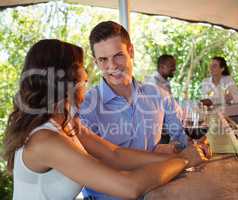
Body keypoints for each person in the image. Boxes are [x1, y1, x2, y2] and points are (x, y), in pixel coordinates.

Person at [2, 39, 208, 200]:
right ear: (66, 78)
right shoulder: (45, 141)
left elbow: (114, 154)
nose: (86, 76)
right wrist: (185, 160)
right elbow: (129, 186)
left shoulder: (66, 123)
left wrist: (181, 155)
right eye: (81, 67)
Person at [79, 21, 209, 199]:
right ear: (96, 62)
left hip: (157, 193)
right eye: (103, 59)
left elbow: (185, 138)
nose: (112, 66)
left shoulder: (158, 95)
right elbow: (93, 167)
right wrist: (153, 156)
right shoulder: (86, 107)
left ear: (131, 51)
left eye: (118, 55)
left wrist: (182, 147)